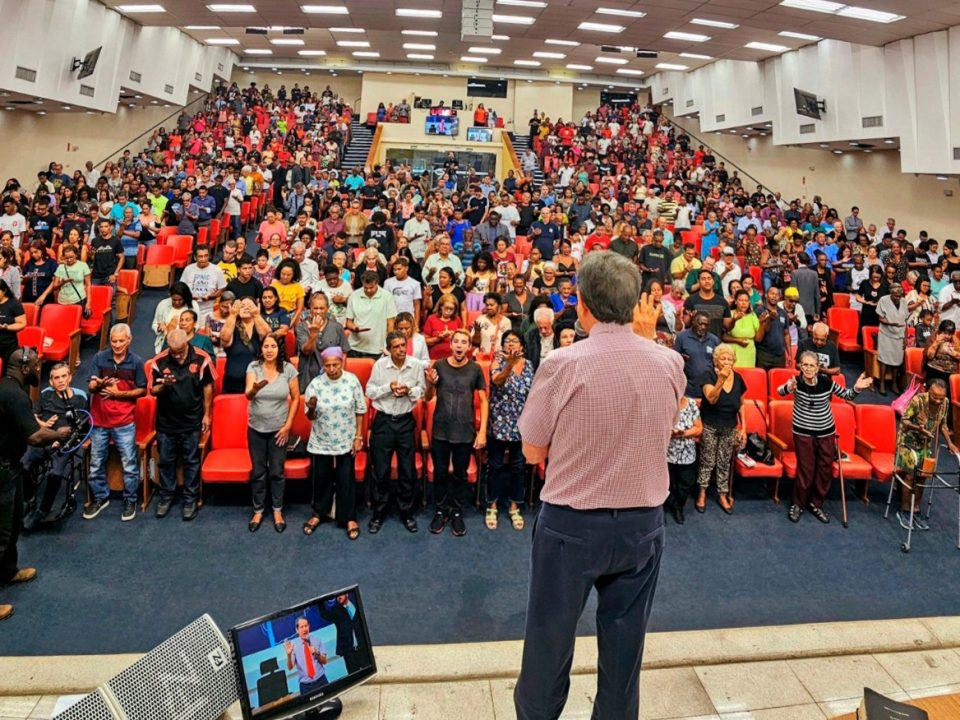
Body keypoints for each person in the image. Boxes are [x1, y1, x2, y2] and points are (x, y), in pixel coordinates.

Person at [514, 251, 684, 720]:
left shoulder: (562, 364)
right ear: (634, 305)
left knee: (549, 641)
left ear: (583, 305)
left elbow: (532, 451)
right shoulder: (671, 363)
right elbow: (666, 425)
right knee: (626, 649)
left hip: (571, 528)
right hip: (642, 527)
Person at [0, 348, 72, 622]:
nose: (39, 370)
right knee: (1, 534)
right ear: (24, 367)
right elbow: (34, 437)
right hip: (2, 471)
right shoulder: (14, 395)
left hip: (11, 466)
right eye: (36, 366)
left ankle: (8, 571)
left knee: (14, 522)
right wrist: (59, 433)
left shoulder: (10, 388)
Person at [777, 352, 873, 523]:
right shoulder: (795, 382)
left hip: (826, 432)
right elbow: (780, 391)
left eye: (811, 365)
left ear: (817, 368)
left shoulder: (826, 382)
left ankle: (816, 503)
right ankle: (798, 504)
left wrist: (857, 387)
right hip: (803, 433)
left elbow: (847, 395)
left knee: (824, 470)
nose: (808, 368)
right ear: (800, 366)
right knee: (806, 470)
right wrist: (789, 388)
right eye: (804, 365)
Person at [424, 329, 488, 536]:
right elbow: (427, 397)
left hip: (464, 431)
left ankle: (457, 511)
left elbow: (484, 401)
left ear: (469, 347)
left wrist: (482, 432)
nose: (460, 345)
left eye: (464, 342)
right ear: (451, 345)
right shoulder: (439, 365)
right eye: (456, 342)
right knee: (440, 473)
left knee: (460, 474)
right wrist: (430, 383)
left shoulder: (475, 369)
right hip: (441, 429)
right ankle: (441, 510)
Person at [145, 329, 214, 521]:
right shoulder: (159, 361)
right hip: (166, 422)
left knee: (191, 461)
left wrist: (207, 415)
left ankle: (190, 499)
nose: (177, 356)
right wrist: (164, 385)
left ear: (187, 344)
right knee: (166, 461)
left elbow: (208, 386)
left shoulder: (202, 357)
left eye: (181, 352)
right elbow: (152, 390)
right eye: (173, 353)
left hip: (192, 420)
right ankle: (166, 496)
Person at [84, 324, 146, 522]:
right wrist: (99, 384)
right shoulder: (99, 358)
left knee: (129, 464)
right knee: (96, 463)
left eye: (121, 341)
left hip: (124, 421)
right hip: (99, 420)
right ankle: (100, 497)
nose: (117, 345)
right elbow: (91, 386)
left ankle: (130, 499)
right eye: (114, 341)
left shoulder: (136, 362)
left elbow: (142, 390)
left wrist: (120, 394)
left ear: (129, 340)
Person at [366, 331, 425, 534]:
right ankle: (379, 512)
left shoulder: (415, 365)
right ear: (389, 349)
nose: (401, 350)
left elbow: (422, 390)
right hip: (383, 422)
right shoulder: (379, 366)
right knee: (381, 471)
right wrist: (388, 388)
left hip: (405, 421)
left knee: (407, 470)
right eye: (396, 347)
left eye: (403, 345)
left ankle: (406, 512)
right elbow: (369, 391)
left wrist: (409, 391)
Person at [304, 347, 366, 541]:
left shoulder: (352, 380)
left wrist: (358, 436)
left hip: (346, 438)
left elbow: (360, 409)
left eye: (335, 365)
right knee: (321, 477)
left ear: (341, 363)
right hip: (322, 438)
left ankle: (349, 517)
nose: (331, 369)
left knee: (346, 477)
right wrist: (312, 407)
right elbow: (310, 416)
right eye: (328, 365)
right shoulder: (316, 384)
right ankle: (319, 512)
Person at [20, 362, 88, 529]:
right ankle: (29, 499)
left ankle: (43, 510)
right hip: (43, 439)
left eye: (64, 376)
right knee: (22, 465)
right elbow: (34, 415)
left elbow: (81, 427)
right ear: (51, 381)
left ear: (70, 377)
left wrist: (61, 439)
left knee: (55, 473)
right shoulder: (46, 394)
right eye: (56, 378)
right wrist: (42, 424)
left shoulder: (81, 398)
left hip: (63, 443)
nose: (61, 380)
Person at [245, 333, 300, 533]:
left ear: (279, 349)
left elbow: (296, 398)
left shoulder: (288, 369)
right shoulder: (253, 367)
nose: (269, 350)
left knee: (277, 472)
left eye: (273, 346)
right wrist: (255, 389)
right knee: (259, 472)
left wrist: (287, 426)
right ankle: (258, 511)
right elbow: (248, 395)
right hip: (256, 429)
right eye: (266, 346)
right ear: (261, 349)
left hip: (279, 431)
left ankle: (277, 510)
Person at [895, 378, 958, 530]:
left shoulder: (945, 403)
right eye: (935, 397)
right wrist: (918, 428)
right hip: (907, 442)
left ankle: (916, 509)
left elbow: (943, 424)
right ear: (928, 391)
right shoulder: (918, 401)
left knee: (923, 476)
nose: (938, 401)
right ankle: (904, 510)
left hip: (925, 443)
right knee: (910, 476)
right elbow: (905, 421)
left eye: (941, 398)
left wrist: (950, 443)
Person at [486, 330, 533, 532]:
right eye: (507, 341)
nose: (511, 344)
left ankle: (515, 506)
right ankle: (492, 505)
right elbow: (498, 381)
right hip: (499, 422)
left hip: (521, 423)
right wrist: (509, 365)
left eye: (515, 341)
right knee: (495, 466)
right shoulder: (497, 361)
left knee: (518, 467)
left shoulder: (529, 365)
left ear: (522, 346)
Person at [697, 344, 746, 514]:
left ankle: (722, 494)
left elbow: (741, 404)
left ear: (734, 361)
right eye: (723, 358)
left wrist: (744, 427)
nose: (726, 361)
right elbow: (711, 399)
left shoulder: (738, 378)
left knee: (724, 462)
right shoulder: (708, 375)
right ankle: (702, 492)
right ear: (716, 360)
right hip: (710, 424)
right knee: (707, 460)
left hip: (730, 426)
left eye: (729, 359)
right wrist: (720, 380)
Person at [295, 292, 350, 392]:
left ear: (327, 309)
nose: (318, 312)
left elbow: (344, 352)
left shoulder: (337, 327)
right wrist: (313, 334)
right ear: (310, 309)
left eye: (322, 308)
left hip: (332, 377)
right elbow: (307, 351)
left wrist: (341, 375)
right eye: (315, 308)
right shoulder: (302, 327)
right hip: (308, 378)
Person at [221, 297, 272, 394]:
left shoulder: (260, 324)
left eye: (250, 306)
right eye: (242, 306)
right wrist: (232, 315)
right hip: (233, 383)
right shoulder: (231, 325)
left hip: (258, 381)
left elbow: (267, 336)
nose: (246, 308)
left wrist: (256, 315)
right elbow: (224, 339)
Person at [666, 394, 703, 525]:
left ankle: (678, 507)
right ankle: (665, 507)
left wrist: (682, 434)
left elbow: (699, 428)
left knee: (686, 483)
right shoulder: (665, 402)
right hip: (667, 453)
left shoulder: (691, 404)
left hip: (687, 452)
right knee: (667, 483)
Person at [345, 271, 397, 359]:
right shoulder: (353, 296)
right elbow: (348, 322)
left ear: (377, 283)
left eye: (371, 287)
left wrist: (389, 345)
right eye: (365, 287)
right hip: (355, 347)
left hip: (377, 349)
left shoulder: (387, 297)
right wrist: (354, 327)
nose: (368, 290)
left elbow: (390, 323)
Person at [673, 312, 720, 400]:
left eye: (706, 325)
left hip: (709, 388)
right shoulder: (682, 338)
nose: (703, 327)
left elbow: (718, 363)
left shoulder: (714, 340)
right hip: (688, 389)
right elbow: (675, 362)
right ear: (693, 322)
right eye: (700, 324)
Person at [318, 593, 365, 674]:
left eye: (340, 594)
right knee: (354, 676)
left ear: (346, 594)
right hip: (349, 652)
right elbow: (325, 615)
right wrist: (320, 602)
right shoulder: (336, 610)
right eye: (336, 596)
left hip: (363, 648)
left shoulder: (356, 604)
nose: (338, 597)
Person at [284, 617, 329, 695]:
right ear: (297, 630)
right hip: (306, 687)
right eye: (302, 627)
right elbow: (290, 667)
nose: (305, 629)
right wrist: (289, 655)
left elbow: (325, 661)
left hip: (321, 680)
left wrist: (317, 653)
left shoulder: (317, 640)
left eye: (306, 626)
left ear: (309, 626)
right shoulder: (294, 646)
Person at [877, 283, 908, 395]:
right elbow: (881, 318)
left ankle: (894, 384)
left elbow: (905, 321)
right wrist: (891, 323)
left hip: (899, 335)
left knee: (897, 360)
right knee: (884, 359)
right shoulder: (883, 300)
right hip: (886, 334)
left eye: (900, 296)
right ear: (890, 293)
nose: (898, 297)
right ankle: (882, 383)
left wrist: (905, 338)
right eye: (895, 296)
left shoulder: (904, 302)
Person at [151, 282, 200, 354]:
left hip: (187, 343)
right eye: (174, 300)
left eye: (180, 300)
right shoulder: (163, 304)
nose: (177, 302)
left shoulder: (193, 305)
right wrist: (159, 328)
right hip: (165, 343)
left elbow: (197, 324)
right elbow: (155, 324)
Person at [724, 290, 759, 368]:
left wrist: (763, 323)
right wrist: (738, 341)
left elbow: (758, 338)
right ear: (736, 301)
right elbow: (723, 336)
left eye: (746, 301)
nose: (744, 303)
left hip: (749, 352)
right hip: (732, 351)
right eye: (741, 300)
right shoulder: (729, 313)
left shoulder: (753, 315)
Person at [471, 292, 511, 356]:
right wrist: (477, 334)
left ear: (499, 305)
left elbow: (508, 342)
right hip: (483, 358)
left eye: (492, 305)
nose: (489, 307)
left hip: (500, 358)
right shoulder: (480, 320)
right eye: (487, 305)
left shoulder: (506, 322)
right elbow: (474, 344)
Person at [0, 279, 25, 370]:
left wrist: (7, 327)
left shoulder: (14, 304)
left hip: (8, 346)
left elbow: (22, 324)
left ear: (4, 291)